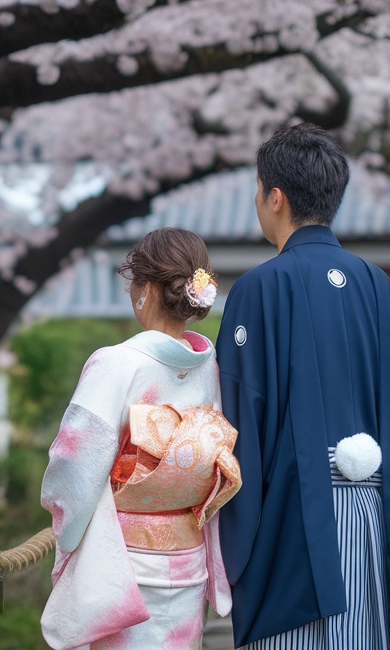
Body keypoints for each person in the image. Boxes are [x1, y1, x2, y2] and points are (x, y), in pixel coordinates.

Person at [216, 123, 390, 649]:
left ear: (275, 197)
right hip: (378, 518)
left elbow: (234, 426)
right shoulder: (381, 286)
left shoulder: (260, 288)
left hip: (297, 522)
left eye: (257, 191)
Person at [40, 227, 242, 650]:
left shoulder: (115, 364)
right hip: (187, 559)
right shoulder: (210, 368)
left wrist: (67, 535)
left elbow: (74, 465)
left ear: (146, 289)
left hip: (123, 563)